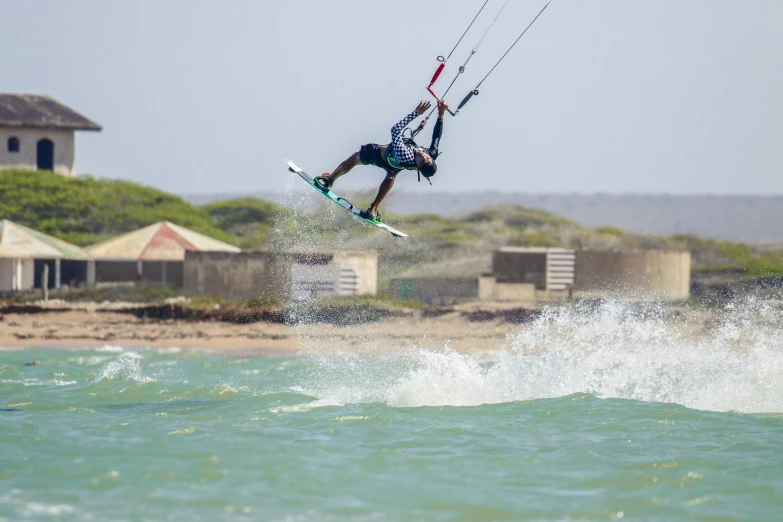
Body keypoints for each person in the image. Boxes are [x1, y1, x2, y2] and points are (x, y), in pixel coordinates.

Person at [314, 99, 448, 221]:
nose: (423, 155)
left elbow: (395, 129)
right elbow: (436, 137)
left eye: (421, 159)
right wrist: (441, 113)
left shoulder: (404, 154)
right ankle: (373, 208)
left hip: (378, 156)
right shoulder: (431, 154)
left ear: (417, 167)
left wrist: (416, 113)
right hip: (395, 166)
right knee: (391, 175)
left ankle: (330, 180)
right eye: (426, 157)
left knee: (355, 158)